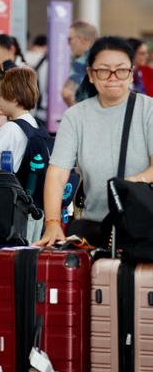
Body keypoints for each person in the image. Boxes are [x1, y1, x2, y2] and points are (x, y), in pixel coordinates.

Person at [37, 36, 153, 248]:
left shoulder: (149, 110)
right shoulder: (76, 116)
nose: (112, 77)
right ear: (91, 74)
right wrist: (52, 222)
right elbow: (57, 173)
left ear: (131, 73)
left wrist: (127, 185)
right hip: (95, 228)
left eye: (121, 70)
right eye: (103, 70)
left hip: (143, 226)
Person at [0, 66, 40, 172]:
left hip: (6, 185)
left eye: (1, 95)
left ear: (14, 98)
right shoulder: (33, 123)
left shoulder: (10, 127)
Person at [62, 20, 98, 106]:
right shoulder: (102, 59)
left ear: (81, 39)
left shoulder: (82, 62)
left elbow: (67, 93)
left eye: (69, 39)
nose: (68, 43)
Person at [24, 35, 48, 124]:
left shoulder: (22, 57)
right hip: (42, 112)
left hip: (23, 111)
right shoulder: (47, 63)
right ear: (45, 46)